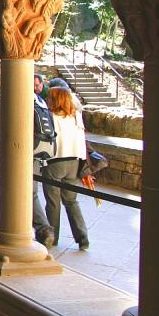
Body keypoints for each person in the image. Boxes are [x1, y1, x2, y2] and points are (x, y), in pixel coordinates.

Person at [44, 86, 91, 250]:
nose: (47, 99)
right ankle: (83, 238)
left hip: (56, 161)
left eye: (50, 97)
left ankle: (52, 238)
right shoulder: (76, 116)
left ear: (55, 99)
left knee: (53, 202)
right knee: (71, 201)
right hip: (75, 162)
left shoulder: (51, 116)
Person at [31, 73, 58, 247]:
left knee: (23, 191)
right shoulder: (40, 101)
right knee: (31, 191)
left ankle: (43, 228)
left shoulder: (22, 97)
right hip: (40, 149)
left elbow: (0, 128)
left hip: (22, 150)